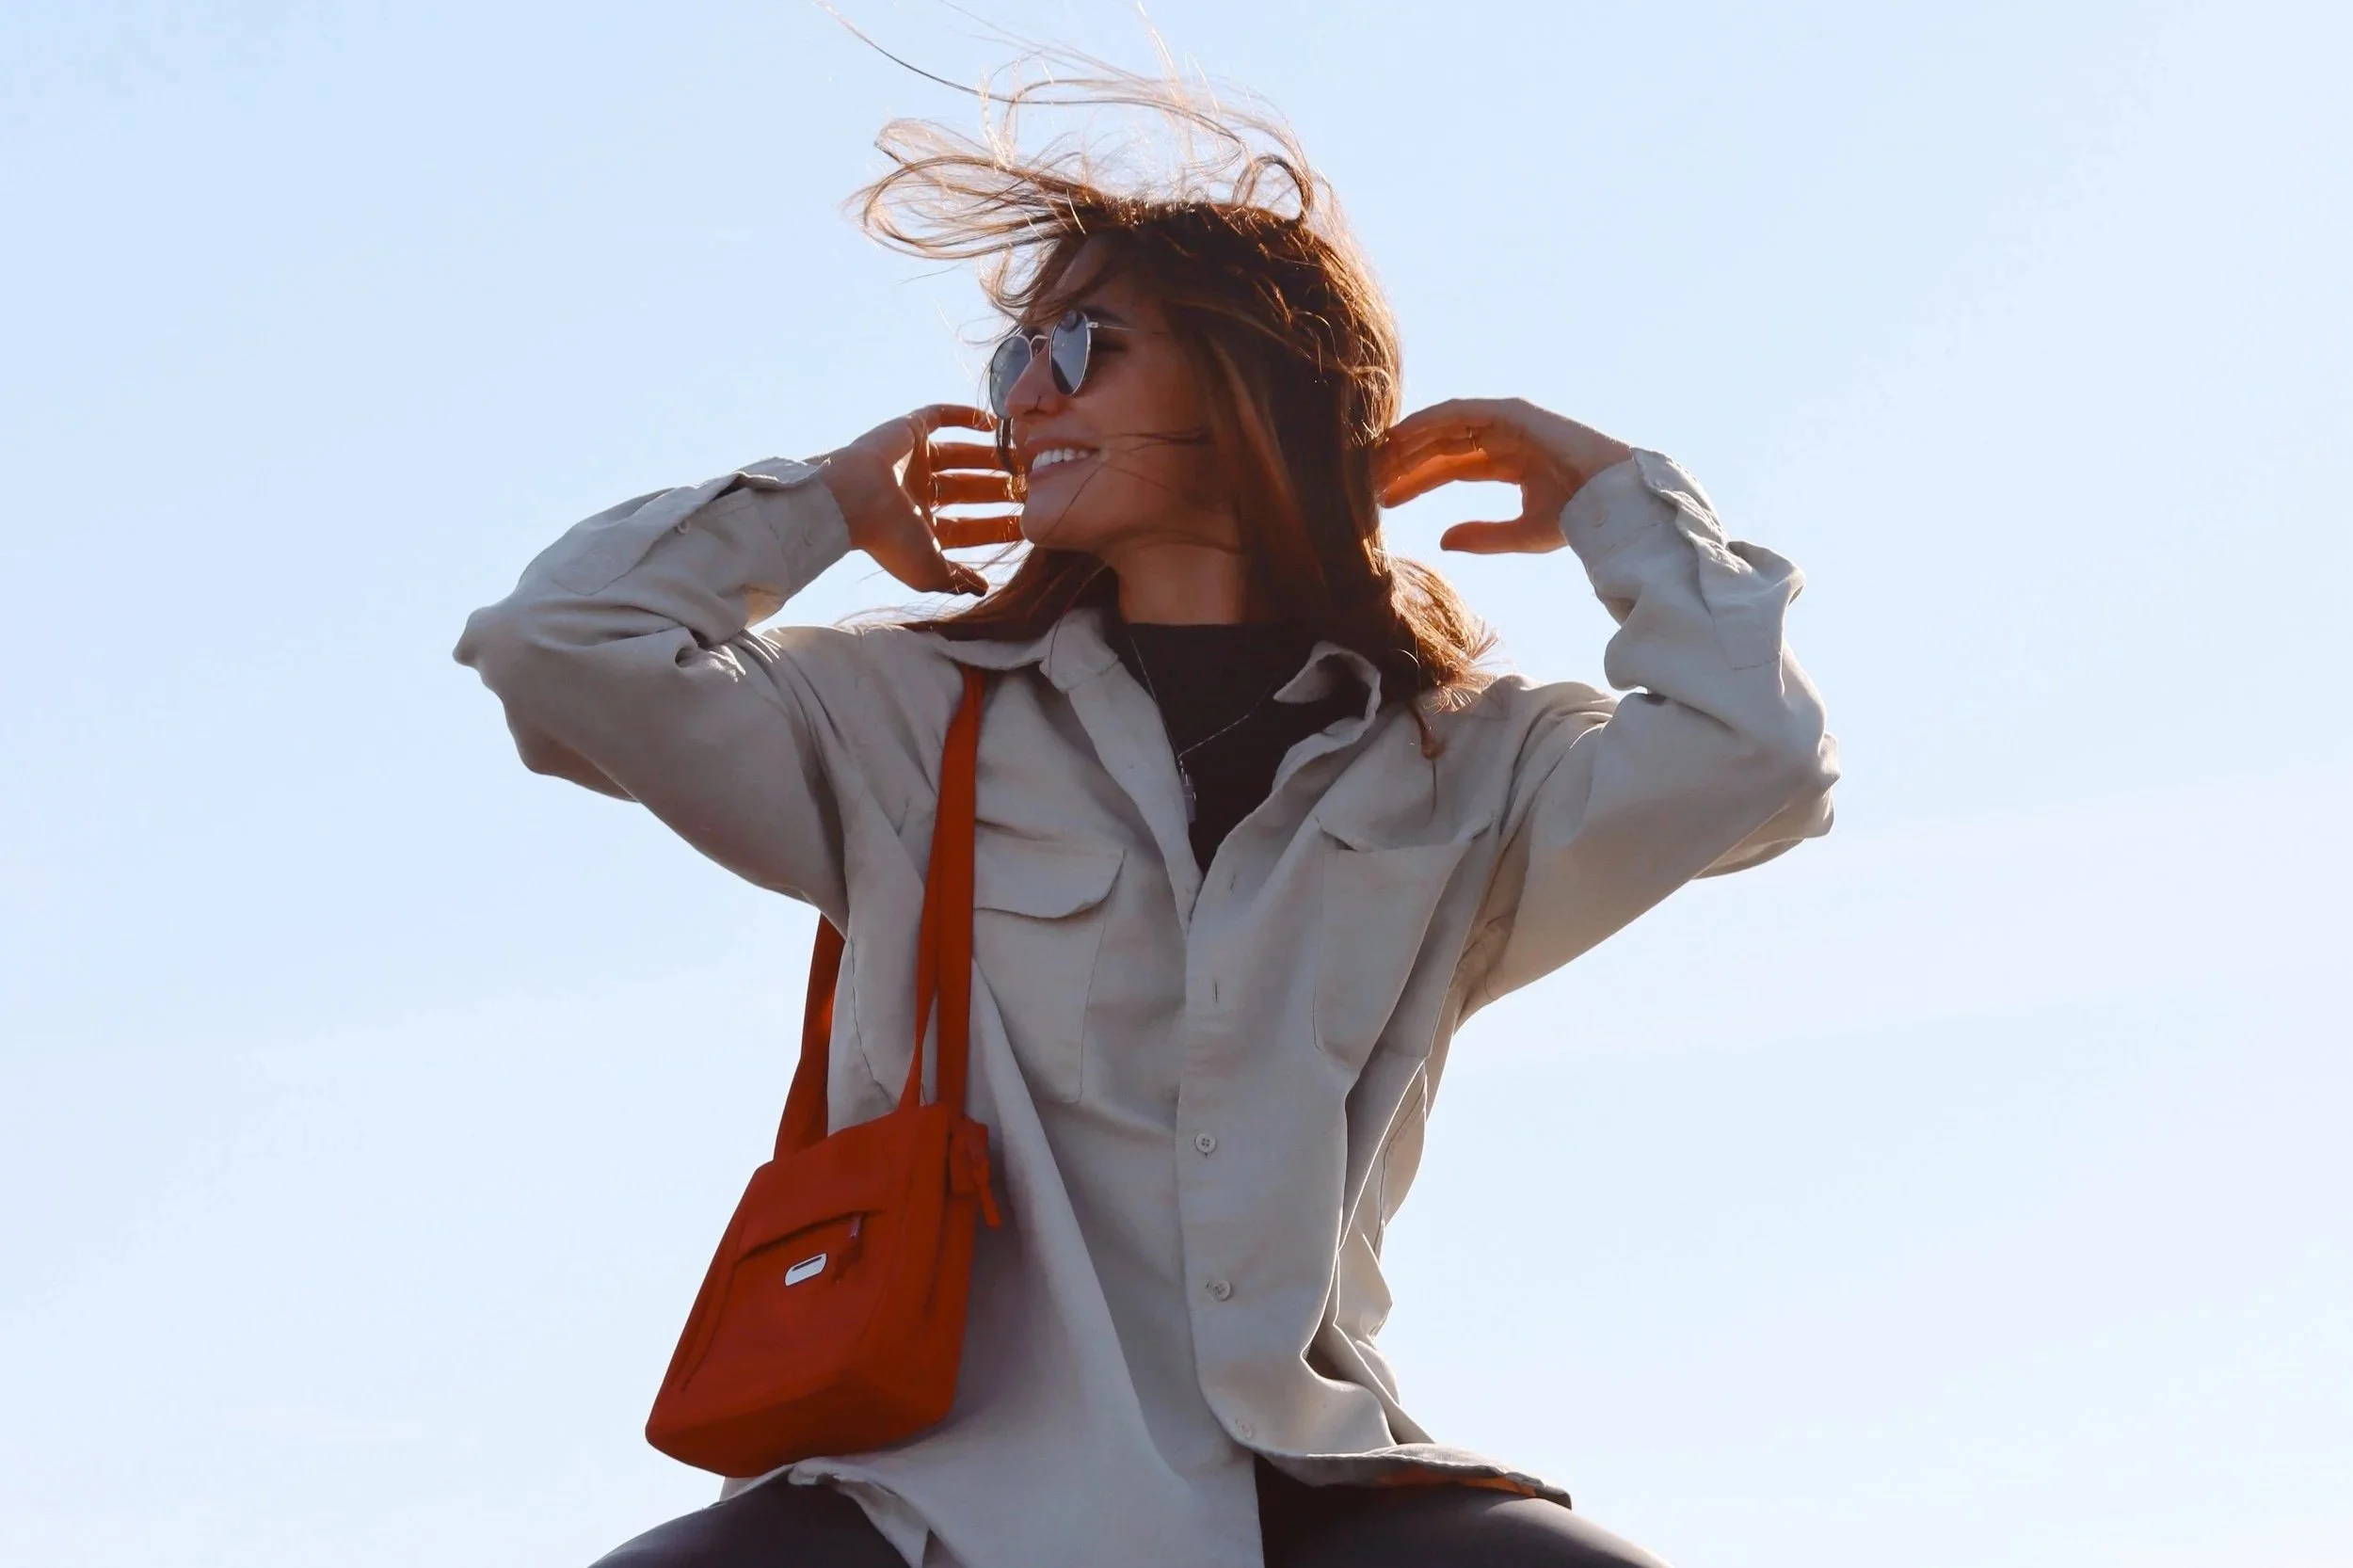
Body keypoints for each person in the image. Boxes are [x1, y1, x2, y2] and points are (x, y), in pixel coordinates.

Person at [456, 72, 1837, 1568]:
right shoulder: (904, 718)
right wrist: (815, 506)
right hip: (924, 1494)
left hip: (1300, 1475)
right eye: (1010, 362)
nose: (1027, 395)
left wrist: (1619, 501)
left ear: (1249, 388)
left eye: (1080, 347)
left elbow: (1756, 760)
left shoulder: (1463, 761)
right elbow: (556, 648)